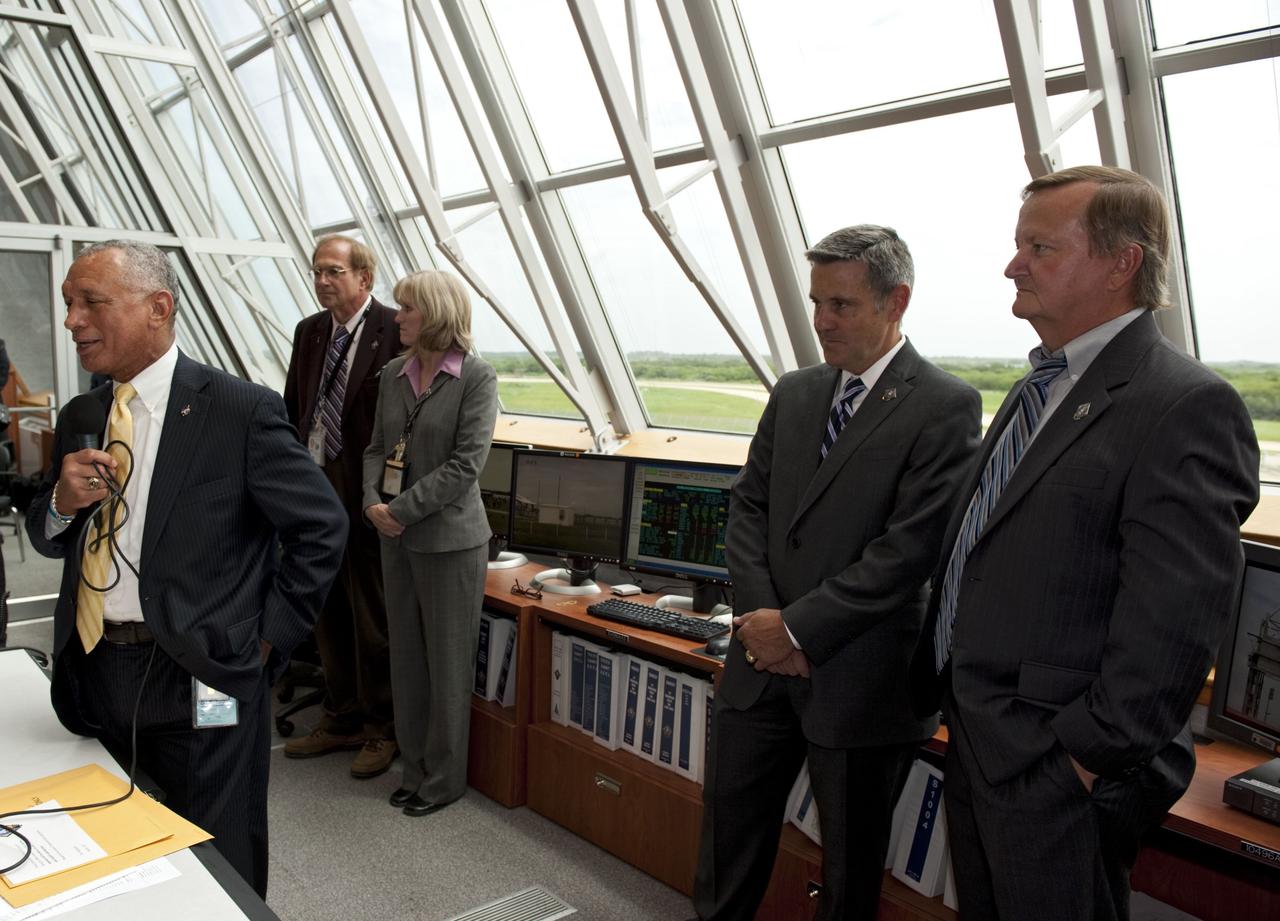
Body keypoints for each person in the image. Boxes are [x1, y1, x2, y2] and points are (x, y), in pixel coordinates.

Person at [911, 166, 1260, 920]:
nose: (1013, 264)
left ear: (1121, 263)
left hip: (1056, 769)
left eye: (1040, 246)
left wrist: (1081, 758)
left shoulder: (1186, 404)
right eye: (1017, 245)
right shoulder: (1037, 386)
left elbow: (1175, 619)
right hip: (981, 740)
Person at [27, 240, 346, 896]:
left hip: (205, 675)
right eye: (67, 304)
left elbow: (321, 526)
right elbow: (48, 532)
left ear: (158, 308)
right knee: (113, 853)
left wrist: (264, 639)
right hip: (96, 669)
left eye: (91, 303)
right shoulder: (83, 415)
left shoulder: (239, 410)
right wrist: (60, 501)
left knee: (217, 859)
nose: (71, 321)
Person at [692, 226, 982, 921]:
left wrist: (796, 628)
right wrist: (765, 625)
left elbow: (907, 552)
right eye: (817, 301)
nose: (822, 320)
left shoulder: (944, 405)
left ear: (896, 301)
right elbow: (749, 508)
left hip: (859, 680)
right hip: (759, 668)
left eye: (842, 305)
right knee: (726, 843)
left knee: (849, 875)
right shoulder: (794, 392)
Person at [362, 270, 497, 817]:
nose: (398, 317)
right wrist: (373, 501)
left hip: (449, 542)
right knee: (408, 662)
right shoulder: (394, 372)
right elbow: (375, 447)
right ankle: (413, 769)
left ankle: (442, 782)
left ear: (437, 313)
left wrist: (398, 509)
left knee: (446, 666)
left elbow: (466, 465)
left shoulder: (476, 378)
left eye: (408, 308)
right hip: (394, 537)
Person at [282, 234, 400, 778]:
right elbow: (294, 409)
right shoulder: (309, 333)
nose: (323, 280)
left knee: (371, 618)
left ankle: (381, 728)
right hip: (315, 489)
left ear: (364, 278)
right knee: (325, 610)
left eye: (334, 271)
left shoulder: (396, 330)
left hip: (367, 494)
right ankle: (340, 716)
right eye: (317, 271)